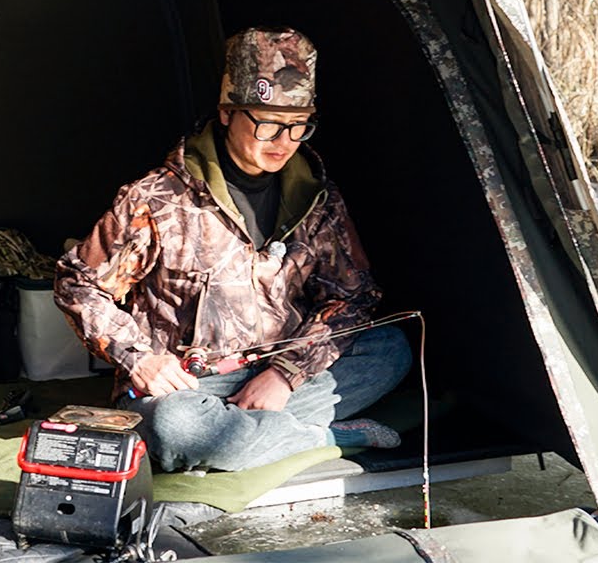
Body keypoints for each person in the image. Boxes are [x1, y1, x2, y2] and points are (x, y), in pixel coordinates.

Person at [54, 26, 411, 472]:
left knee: (391, 348)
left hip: (284, 377)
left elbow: (353, 298)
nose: (284, 142)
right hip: (189, 390)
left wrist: (285, 374)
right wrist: (141, 359)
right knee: (175, 425)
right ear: (226, 113)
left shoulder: (317, 198)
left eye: (299, 126)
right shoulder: (159, 198)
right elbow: (79, 285)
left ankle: (240, 440)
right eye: (267, 124)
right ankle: (322, 435)